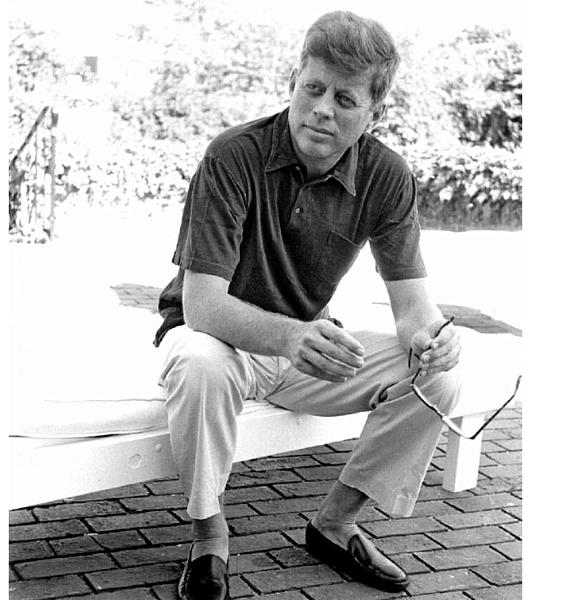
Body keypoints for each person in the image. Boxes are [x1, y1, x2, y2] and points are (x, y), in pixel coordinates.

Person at [154, 10, 462, 600]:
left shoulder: (387, 176)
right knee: (199, 362)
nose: (322, 108)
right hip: (221, 341)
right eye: (313, 88)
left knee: (440, 380)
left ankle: (336, 523)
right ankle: (209, 537)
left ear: (375, 113)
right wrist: (294, 337)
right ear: (293, 82)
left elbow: (413, 309)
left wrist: (432, 338)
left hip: (303, 350)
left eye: (345, 98)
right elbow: (202, 307)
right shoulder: (231, 156)